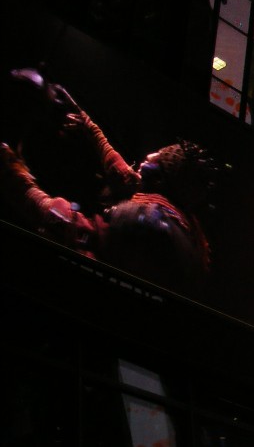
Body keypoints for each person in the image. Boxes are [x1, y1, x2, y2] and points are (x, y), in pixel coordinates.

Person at [0, 68, 216, 295]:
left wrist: (15, 176)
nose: (139, 166)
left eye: (147, 163)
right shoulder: (185, 225)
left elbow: (71, 230)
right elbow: (125, 177)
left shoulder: (145, 221)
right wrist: (87, 123)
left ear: (159, 179)